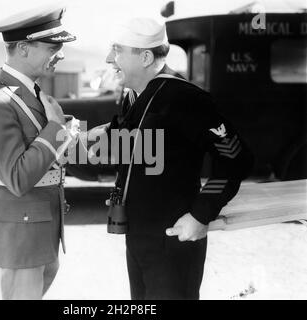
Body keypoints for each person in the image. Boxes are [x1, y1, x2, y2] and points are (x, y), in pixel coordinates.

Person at [100, 17, 254, 300]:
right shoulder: (134, 96)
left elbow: (236, 158)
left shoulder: (185, 98)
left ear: (145, 57)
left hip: (173, 241)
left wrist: (201, 214)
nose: (110, 58)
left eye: (117, 50)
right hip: (138, 238)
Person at [0, 4, 79, 300]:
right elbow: (16, 177)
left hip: (38, 230)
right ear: (23, 48)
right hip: (16, 236)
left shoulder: (35, 95)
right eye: (53, 46)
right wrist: (55, 128)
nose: (61, 54)